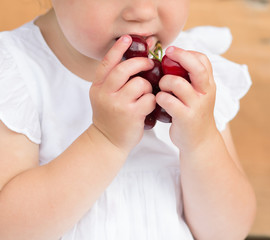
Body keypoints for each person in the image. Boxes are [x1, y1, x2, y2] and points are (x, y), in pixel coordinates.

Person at [0, 0, 256, 239]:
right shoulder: (17, 74)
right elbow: (10, 229)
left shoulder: (191, 74)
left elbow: (227, 231)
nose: (143, 12)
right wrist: (105, 140)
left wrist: (201, 142)